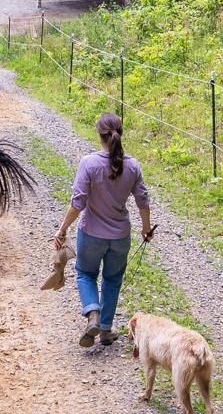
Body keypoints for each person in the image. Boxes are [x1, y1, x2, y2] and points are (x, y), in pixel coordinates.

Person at [52, 112, 152, 347]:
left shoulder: (89, 163)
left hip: (91, 234)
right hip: (120, 237)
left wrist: (62, 230)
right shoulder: (133, 166)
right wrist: (146, 229)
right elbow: (143, 201)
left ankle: (93, 314)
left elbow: (78, 203)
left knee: (85, 274)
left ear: (99, 135)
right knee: (113, 279)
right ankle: (105, 330)